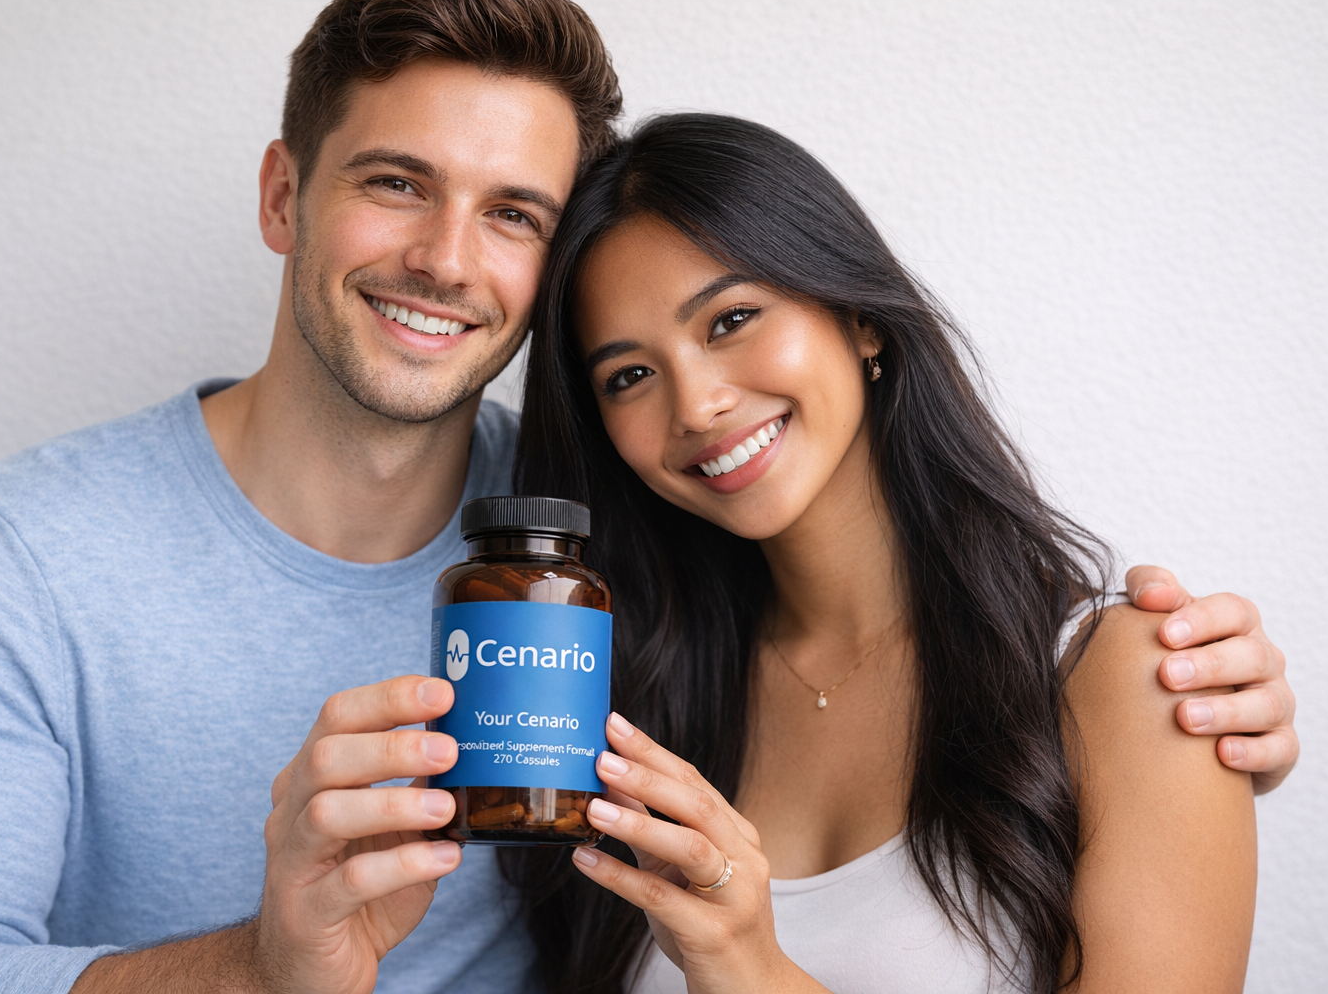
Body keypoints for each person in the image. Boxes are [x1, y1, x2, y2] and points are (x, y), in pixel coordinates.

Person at [0, 0, 1294, 994]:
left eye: (514, 213)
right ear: (286, 195)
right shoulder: (17, 554)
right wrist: (262, 970)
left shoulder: (628, 571)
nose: (448, 259)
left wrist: (1175, 733)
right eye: (396, 182)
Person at [506, 113, 1271, 993]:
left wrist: (749, 967)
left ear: (861, 318)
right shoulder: (627, 702)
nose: (697, 404)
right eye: (629, 375)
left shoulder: (1138, 677)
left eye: (732, 319)